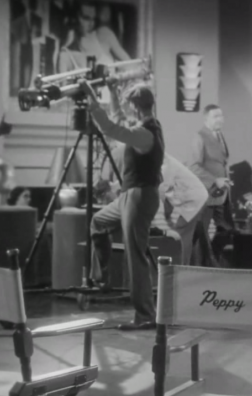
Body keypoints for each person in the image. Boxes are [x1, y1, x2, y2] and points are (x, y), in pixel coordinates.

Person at [79, 78, 164, 331]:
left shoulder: (145, 133)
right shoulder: (145, 127)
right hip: (130, 196)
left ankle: (145, 315)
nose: (127, 110)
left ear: (135, 107)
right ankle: (102, 278)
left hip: (139, 197)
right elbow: (117, 120)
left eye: (129, 106)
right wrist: (114, 95)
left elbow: (110, 128)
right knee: (98, 222)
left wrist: (92, 99)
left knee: (135, 255)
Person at [187, 104, 235, 263]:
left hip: (222, 194)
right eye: (216, 116)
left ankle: (211, 260)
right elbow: (194, 166)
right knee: (201, 233)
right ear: (206, 119)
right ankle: (199, 266)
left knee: (227, 230)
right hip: (207, 194)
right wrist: (215, 180)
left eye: (221, 116)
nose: (220, 119)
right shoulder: (199, 137)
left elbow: (221, 163)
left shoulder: (220, 135)